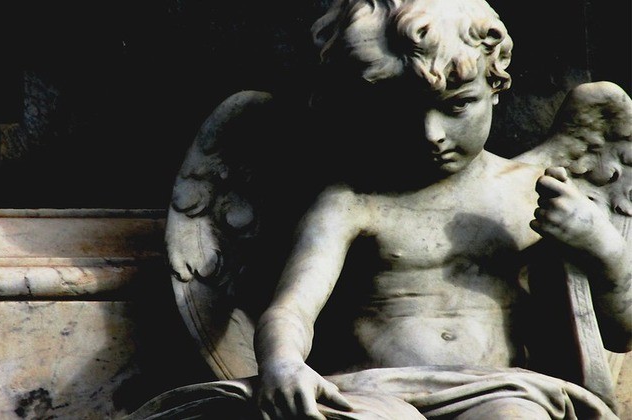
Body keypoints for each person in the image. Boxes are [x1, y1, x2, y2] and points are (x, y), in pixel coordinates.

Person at [131, 0, 631, 418]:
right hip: (374, 391)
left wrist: (601, 245)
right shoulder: (351, 202)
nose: (431, 135)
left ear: (496, 85)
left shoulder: (534, 190)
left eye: (457, 105)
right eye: (399, 113)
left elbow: (622, 333)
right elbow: (292, 308)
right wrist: (283, 362)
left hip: (501, 388)